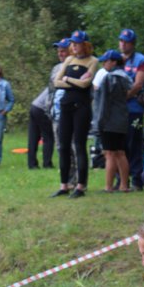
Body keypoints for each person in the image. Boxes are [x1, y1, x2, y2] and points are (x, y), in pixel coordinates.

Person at [51, 29, 98, 198]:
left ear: (85, 45)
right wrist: (75, 82)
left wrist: (68, 79)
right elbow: (56, 82)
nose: (75, 46)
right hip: (66, 105)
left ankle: (80, 186)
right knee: (63, 145)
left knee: (79, 145)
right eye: (73, 43)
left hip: (82, 107)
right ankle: (64, 185)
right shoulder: (69, 60)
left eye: (78, 44)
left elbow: (86, 84)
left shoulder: (93, 61)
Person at [118, 28, 144, 190]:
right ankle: (121, 180)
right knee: (119, 145)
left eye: (127, 42)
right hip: (117, 110)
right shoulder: (116, 59)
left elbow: (138, 84)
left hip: (134, 108)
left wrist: (122, 98)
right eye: (121, 41)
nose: (123, 44)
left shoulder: (141, 60)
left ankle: (137, 180)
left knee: (134, 144)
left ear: (133, 43)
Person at [94, 50, 132, 193]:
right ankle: (124, 185)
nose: (104, 64)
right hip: (122, 119)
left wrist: (99, 122)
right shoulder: (125, 77)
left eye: (106, 61)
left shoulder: (108, 78)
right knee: (121, 153)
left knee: (109, 153)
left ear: (114, 62)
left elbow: (103, 103)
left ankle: (108, 186)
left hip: (109, 120)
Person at [49, 38, 78, 188]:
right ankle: (66, 180)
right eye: (58, 51)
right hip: (56, 114)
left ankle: (78, 180)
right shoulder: (56, 69)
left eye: (63, 51)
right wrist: (49, 109)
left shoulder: (77, 67)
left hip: (72, 114)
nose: (60, 53)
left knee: (73, 148)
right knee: (61, 148)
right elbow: (51, 91)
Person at [27, 85, 54, 169]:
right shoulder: (59, 88)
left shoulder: (52, 86)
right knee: (48, 137)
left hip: (34, 106)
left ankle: (32, 164)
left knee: (33, 137)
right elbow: (50, 104)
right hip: (42, 110)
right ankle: (47, 164)